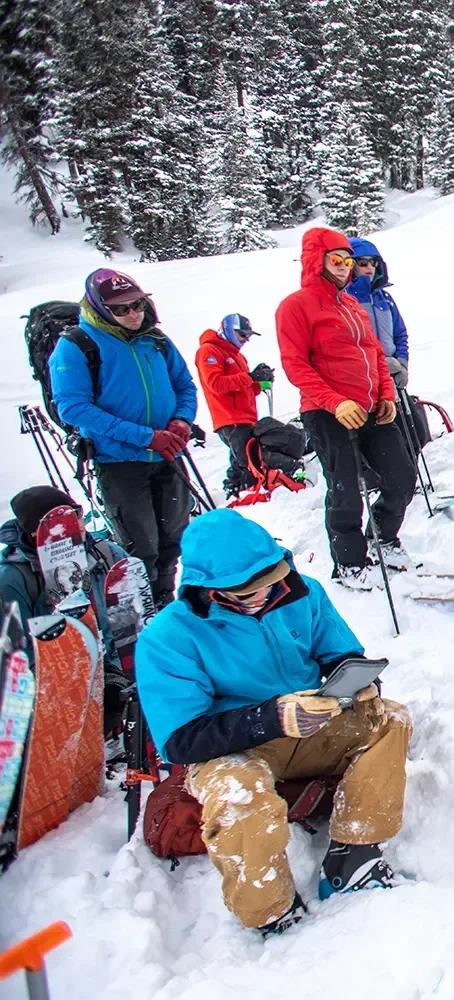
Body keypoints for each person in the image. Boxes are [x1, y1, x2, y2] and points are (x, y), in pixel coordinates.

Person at [135, 509, 411, 934]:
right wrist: (274, 717)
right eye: (245, 593)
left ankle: (354, 852)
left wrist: (357, 683)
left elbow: (340, 654)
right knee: (239, 797)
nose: (262, 597)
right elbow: (181, 740)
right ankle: (270, 911)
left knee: (389, 719)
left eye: (269, 582)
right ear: (205, 590)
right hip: (230, 749)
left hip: (309, 725)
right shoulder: (166, 639)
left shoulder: (304, 593)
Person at [275, 228, 417, 590]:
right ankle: (349, 562)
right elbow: (296, 366)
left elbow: (375, 356)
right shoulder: (296, 306)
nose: (344, 267)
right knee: (346, 488)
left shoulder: (352, 305)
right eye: (336, 260)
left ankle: (382, 537)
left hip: (371, 407)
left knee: (401, 477)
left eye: (348, 261)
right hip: (326, 410)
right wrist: (335, 403)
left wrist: (386, 394)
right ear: (316, 260)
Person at [48, 269, 198, 608]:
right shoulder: (78, 345)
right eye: (121, 309)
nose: (133, 313)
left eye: (138, 305)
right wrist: (145, 437)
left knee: (173, 538)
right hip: (119, 461)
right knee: (140, 545)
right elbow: (73, 408)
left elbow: (184, 386)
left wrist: (181, 422)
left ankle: (165, 601)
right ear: (100, 309)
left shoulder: (155, 340)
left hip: (167, 453)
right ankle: (140, 611)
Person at [0, 486, 130, 731]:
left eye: (76, 513)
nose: (74, 524)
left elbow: (133, 621)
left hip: (119, 678)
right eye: (58, 521)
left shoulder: (107, 554)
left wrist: (115, 677)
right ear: (33, 531)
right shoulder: (12, 580)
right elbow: (18, 657)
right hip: (58, 695)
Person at [195, 314, 274, 498]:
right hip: (230, 418)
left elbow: (248, 389)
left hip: (245, 418)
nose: (246, 339)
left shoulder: (238, 357)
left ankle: (233, 494)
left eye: (248, 336)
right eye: (242, 334)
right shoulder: (209, 351)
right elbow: (216, 384)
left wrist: (260, 380)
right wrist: (251, 377)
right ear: (228, 330)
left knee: (242, 463)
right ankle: (251, 498)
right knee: (250, 464)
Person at [348, 238, 410, 392]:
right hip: (360, 381)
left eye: (373, 262)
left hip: (392, 376)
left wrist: (402, 364)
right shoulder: (344, 299)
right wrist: (377, 365)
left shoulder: (384, 298)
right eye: (363, 263)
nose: (369, 267)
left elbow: (400, 334)